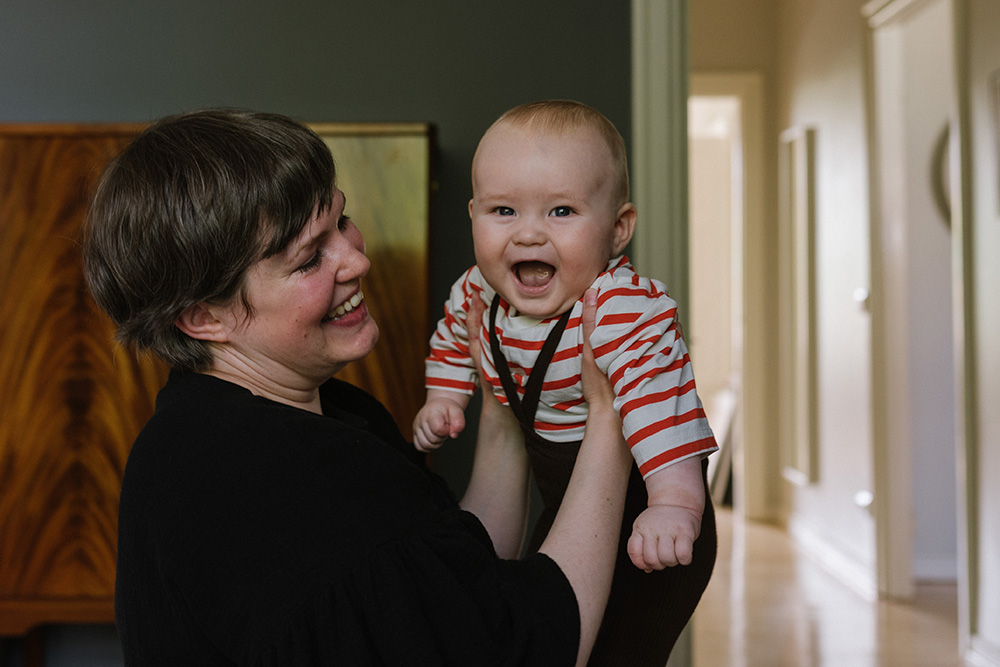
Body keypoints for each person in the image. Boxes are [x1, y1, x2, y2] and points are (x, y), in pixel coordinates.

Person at [83, 108, 635, 666]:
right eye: (308, 259)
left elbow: (454, 596)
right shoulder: (283, 485)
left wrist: (500, 388)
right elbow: (530, 651)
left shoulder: (288, 415)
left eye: (341, 221)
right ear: (204, 317)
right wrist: (611, 405)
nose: (357, 261)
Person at [414, 100, 718, 665]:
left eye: (561, 211)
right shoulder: (480, 292)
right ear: (473, 214)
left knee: (619, 651)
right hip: (568, 500)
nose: (528, 234)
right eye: (503, 210)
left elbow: (665, 404)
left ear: (618, 229)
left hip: (651, 509)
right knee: (540, 623)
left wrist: (675, 504)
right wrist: (445, 397)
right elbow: (455, 338)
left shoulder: (620, 309)